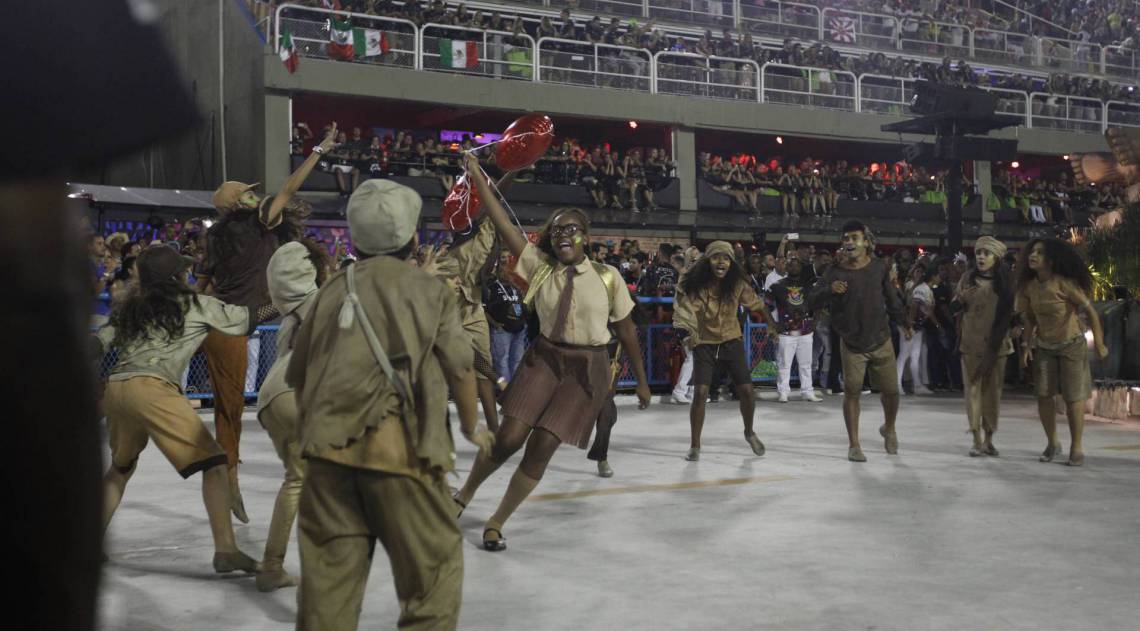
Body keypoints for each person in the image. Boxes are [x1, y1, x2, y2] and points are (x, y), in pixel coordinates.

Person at [286, 179, 495, 629]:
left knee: (326, 600)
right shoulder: (429, 290)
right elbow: (461, 367)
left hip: (326, 465)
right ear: (412, 238)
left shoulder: (329, 291)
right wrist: (470, 426)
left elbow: (299, 376)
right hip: (399, 458)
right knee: (433, 581)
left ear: (356, 239)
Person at [453, 153, 651, 552]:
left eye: (573, 229)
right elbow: (502, 221)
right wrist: (477, 174)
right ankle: (464, 495)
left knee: (542, 448)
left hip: (587, 369)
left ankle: (496, 521)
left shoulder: (608, 278)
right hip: (544, 358)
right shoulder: (538, 266)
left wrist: (642, 383)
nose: (564, 235)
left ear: (586, 237)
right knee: (509, 437)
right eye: (558, 230)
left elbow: (627, 331)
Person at [96, 247, 273, 574]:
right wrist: (285, 301)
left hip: (118, 388)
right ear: (176, 277)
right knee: (216, 464)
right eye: (184, 271)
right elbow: (247, 318)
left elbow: (98, 343)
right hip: (152, 388)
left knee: (120, 469)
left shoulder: (129, 309)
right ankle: (226, 550)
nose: (189, 275)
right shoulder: (195, 305)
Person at [196, 122, 338, 523]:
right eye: (248, 192)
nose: (256, 194)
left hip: (226, 321)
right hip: (233, 325)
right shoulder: (258, 219)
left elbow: (203, 287)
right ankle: (232, 484)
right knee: (230, 411)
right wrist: (320, 151)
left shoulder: (219, 239)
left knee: (230, 408)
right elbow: (289, 191)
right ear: (242, 203)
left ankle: (233, 478)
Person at [251, 240, 328, 592]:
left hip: (271, 398)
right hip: (301, 394)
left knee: (297, 480)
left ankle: (271, 566)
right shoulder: (329, 301)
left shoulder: (289, 318)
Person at [809, 221, 911, 462]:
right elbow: (811, 300)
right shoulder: (833, 271)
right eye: (845, 238)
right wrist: (829, 290)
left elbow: (892, 298)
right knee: (852, 392)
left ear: (866, 241)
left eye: (854, 238)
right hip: (851, 342)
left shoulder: (879, 268)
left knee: (891, 392)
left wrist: (904, 323)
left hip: (881, 338)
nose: (849, 242)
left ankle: (889, 427)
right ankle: (854, 445)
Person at [673, 241, 779, 461]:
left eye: (725, 258)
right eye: (715, 257)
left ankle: (749, 432)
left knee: (748, 392)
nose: (720, 262)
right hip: (705, 343)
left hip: (732, 341)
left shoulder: (738, 284)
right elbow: (684, 303)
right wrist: (687, 331)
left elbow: (758, 304)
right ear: (707, 262)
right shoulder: (698, 285)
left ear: (731, 263)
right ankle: (695, 445)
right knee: (700, 393)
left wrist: (771, 324)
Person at [1016, 238, 1107, 467]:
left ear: (1051, 260)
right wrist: (1026, 346)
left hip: (1071, 345)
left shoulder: (1064, 284)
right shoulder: (1029, 287)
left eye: (1039, 252)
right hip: (1045, 347)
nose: (1033, 256)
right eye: (1032, 252)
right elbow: (1030, 319)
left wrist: (1100, 343)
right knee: (1043, 395)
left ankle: (1076, 447)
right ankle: (1052, 442)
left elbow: (1091, 312)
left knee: (1073, 397)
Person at [953, 236, 1014, 457]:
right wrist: (960, 300)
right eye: (978, 252)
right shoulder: (967, 279)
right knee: (972, 392)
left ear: (996, 258)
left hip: (997, 348)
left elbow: (1010, 316)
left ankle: (989, 438)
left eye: (986, 253)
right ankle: (976, 439)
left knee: (992, 394)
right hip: (970, 345)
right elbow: (953, 308)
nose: (981, 257)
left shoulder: (1005, 283)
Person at [768, 257, 823, 403]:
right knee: (784, 363)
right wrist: (773, 324)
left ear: (801, 267)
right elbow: (765, 306)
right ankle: (783, 392)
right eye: (790, 265)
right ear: (786, 267)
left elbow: (818, 304)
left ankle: (807, 391)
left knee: (806, 363)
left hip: (805, 331)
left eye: (797, 265)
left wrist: (815, 322)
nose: (793, 267)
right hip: (786, 332)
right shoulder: (777, 285)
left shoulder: (809, 286)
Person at [484, 249, 528, 383]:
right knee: (502, 361)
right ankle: (505, 391)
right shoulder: (491, 287)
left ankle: (515, 390)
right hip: (502, 330)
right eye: (504, 269)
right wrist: (495, 324)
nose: (507, 272)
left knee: (517, 360)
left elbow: (524, 304)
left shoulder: (516, 286)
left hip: (519, 329)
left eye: (510, 270)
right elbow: (484, 309)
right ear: (498, 270)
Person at [898, 265, 935, 396]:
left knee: (915, 356)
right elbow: (912, 305)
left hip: (918, 326)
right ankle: (897, 385)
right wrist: (910, 325)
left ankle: (917, 385)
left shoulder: (926, 288)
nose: (920, 274)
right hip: (908, 324)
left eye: (922, 272)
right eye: (917, 271)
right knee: (903, 355)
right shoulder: (912, 286)